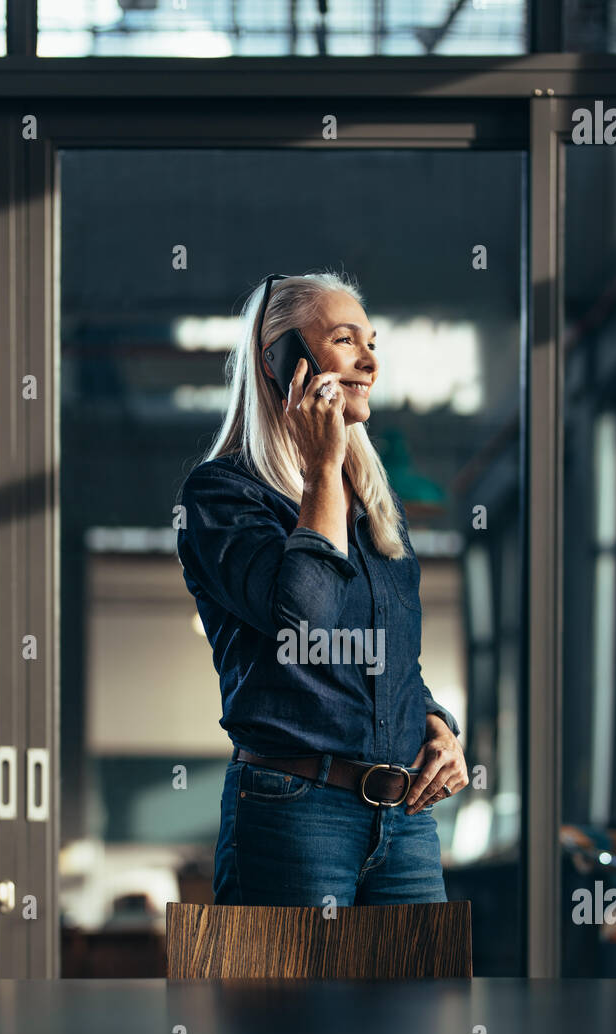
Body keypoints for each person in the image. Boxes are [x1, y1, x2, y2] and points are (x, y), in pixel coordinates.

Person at [176, 271, 467, 905]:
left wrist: (437, 725)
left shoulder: (373, 507)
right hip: (292, 813)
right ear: (280, 360)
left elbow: (392, 661)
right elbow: (304, 620)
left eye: (373, 343)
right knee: (291, 1008)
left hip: (406, 821)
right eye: (344, 340)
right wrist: (322, 471)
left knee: (422, 1006)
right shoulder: (223, 495)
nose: (370, 361)